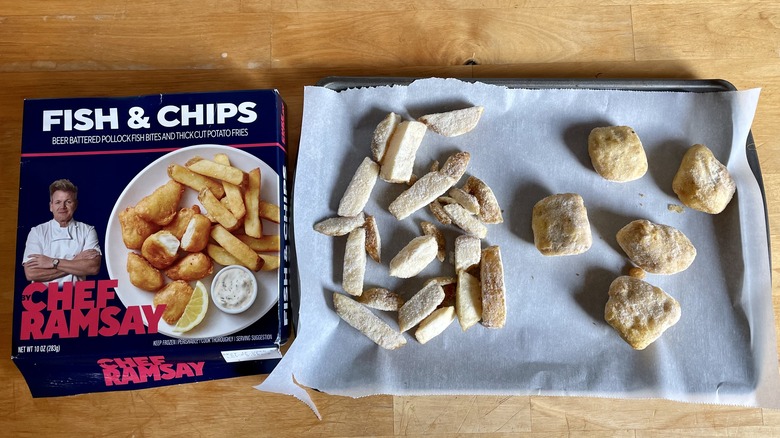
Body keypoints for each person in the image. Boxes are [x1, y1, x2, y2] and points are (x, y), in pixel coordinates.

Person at [22, 179, 102, 284]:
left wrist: (51, 262)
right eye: (58, 202)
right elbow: (31, 273)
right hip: (43, 297)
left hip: (77, 297)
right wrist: (76, 262)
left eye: (68, 202)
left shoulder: (87, 230)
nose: (62, 207)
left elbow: (93, 267)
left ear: (75, 205)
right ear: (51, 206)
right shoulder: (37, 232)